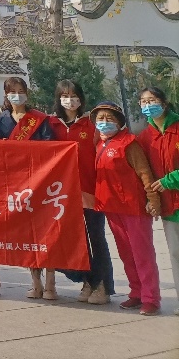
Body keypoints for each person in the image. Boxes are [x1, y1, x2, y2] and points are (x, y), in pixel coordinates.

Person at [0, 76, 66, 300]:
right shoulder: (2, 119)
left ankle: (51, 282)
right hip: (17, 182)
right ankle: (35, 282)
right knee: (27, 234)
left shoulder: (39, 119)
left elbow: (49, 146)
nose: (17, 95)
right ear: (6, 94)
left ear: (27, 93)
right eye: (12, 91)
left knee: (46, 232)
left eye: (20, 90)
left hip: (40, 179)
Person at [92, 101, 162, 315]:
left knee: (142, 254)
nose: (104, 122)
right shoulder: (99, 143)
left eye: (109, 118)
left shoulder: (129, 143)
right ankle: (136, 292)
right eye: (100, 118)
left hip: (134, 207)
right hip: (112, 208)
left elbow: (144, 172)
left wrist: (153, 199)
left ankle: (151, 298)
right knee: (126, 254)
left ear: (119, 122)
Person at [56, 80, 114, 305]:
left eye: (73, 95)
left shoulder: (92, 124)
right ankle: (87, 280)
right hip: (62, 195)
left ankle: (103, 286)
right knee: (74, 241)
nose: (69, 100)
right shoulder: (52, 124)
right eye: (65, 96)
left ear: (81, 98)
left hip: (91, 192)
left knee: (96, 238)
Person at [140, 86, 179, 314]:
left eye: (152, 100)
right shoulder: (145, 137)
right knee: (175, 254)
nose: (148, 105)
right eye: (143, 102)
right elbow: (144, 173)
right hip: (169, 206)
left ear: (164, 102)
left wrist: (169, 180)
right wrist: (151, 199)